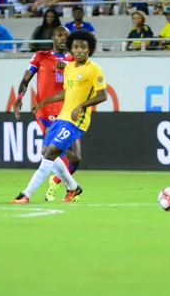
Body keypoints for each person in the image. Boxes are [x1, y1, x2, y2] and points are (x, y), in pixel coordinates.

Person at [12, 30, 108, 203]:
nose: (79, 50)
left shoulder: (94, 69)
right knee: (46, 152)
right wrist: (42, 102)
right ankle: (72, 188)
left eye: (83, 47)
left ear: (89, 50)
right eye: (76, 47)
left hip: (75, 120)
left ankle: (26, 194)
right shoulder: (69, 67)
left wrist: (81, 106)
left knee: (54, 155)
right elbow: (66, 91)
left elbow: (103, 96)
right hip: (60, 117)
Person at [13, 26, 79, 201]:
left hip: (66, 110)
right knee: (49, 150)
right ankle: (28, 194)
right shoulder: (41, 56)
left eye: (66, 36)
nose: (63, 38)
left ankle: (70, 186)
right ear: (53, 38)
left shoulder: (74, 61)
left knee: (75, 158)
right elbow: (25, 79)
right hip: (45, 110)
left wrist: (67, 67)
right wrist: (20, 97)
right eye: (59, 35)